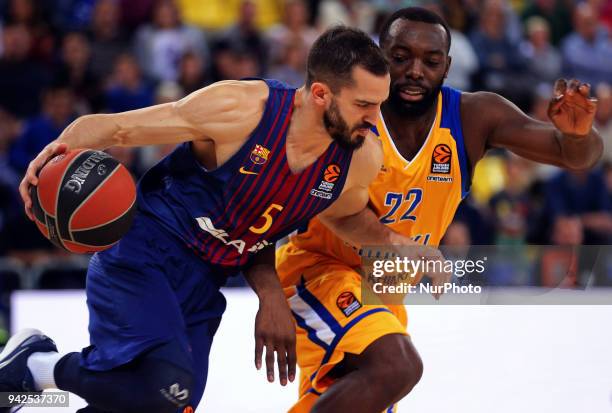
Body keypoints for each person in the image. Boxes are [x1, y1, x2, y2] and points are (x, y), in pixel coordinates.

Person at [0, 27, 396, 413]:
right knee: (165, 388)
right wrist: (56, 154)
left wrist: (397, 245)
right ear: (322, 94)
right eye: (363, 105)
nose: (375, 120)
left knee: (172, 404)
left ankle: (26, 376)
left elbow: (345, 218)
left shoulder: (359, 159)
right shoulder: (240, 110)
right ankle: (34, 367)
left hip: (206, 279)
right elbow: (118, 128)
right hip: (148, 249)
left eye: (379, 105)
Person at [275, 7, 602, 413]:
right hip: (318, 271)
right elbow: (280, 190)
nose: (415, 71)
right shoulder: (351, 111)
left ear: (447, 67)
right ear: (380, 56)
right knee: (396, 366)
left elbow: (575, 156)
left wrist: (578, 135)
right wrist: (267, 290)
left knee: (357, 393)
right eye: (401, 57)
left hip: (382, 294)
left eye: (430, 61)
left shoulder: (472, 116)